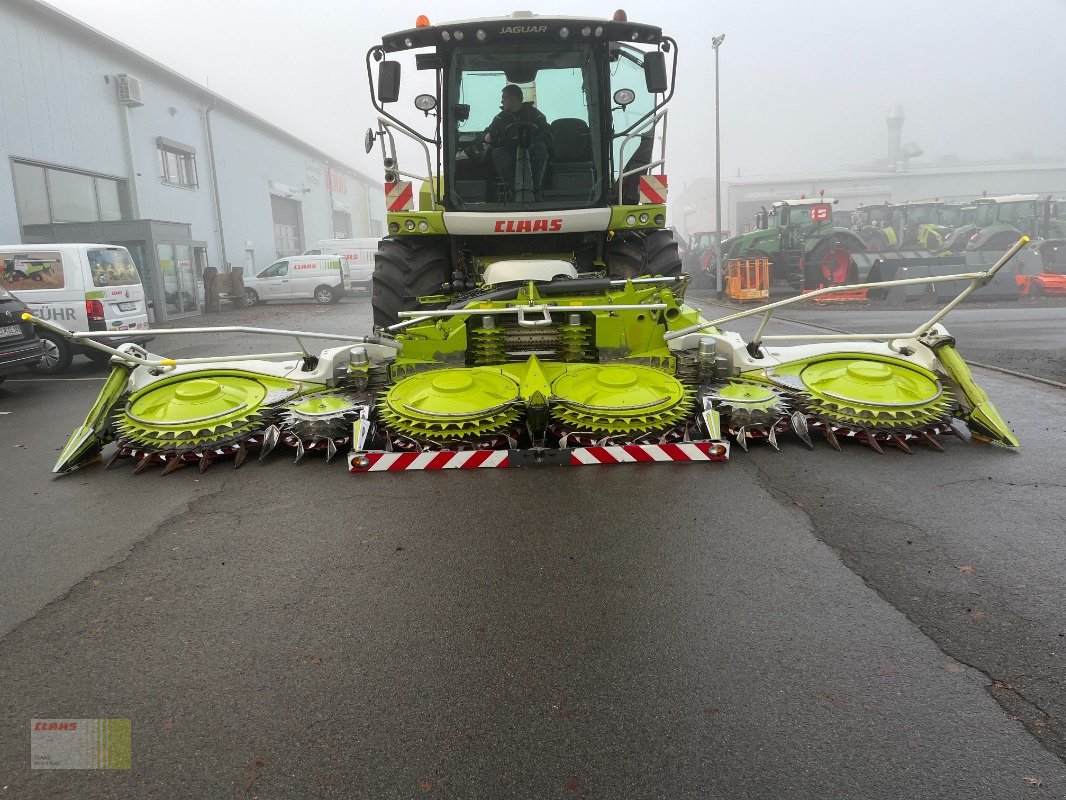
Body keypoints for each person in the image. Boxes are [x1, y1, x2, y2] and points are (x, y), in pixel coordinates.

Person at [484, 84, 550, 201]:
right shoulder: (499, 119)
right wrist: (488, 136)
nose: (501, 101)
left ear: (514, 98)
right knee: (497, 153)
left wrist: (537, 141)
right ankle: (513, 190)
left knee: (541, 148)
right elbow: (488, 135)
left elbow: (547, 132)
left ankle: (536, 189)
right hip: (510, 154)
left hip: (532, 151)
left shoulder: (535, 114)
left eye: (504, 98)